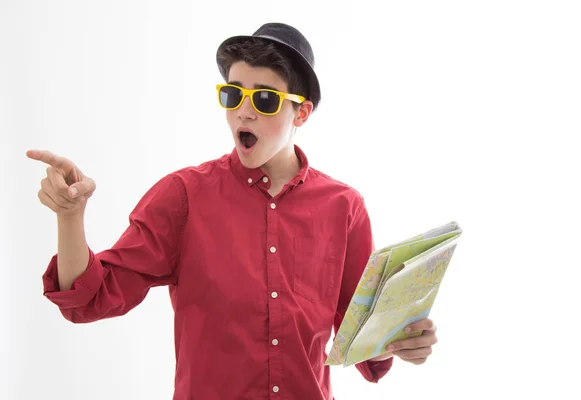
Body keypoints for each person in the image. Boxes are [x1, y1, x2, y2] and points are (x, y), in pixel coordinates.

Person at [27, 22, 438, 400]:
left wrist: (407, 343)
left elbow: (366, 342)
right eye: (233, 93)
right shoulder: (183, 196)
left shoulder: (343, 208)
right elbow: (90, 298)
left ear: (302, 111)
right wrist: (70, 216)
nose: (244, 110)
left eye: (264, 97)